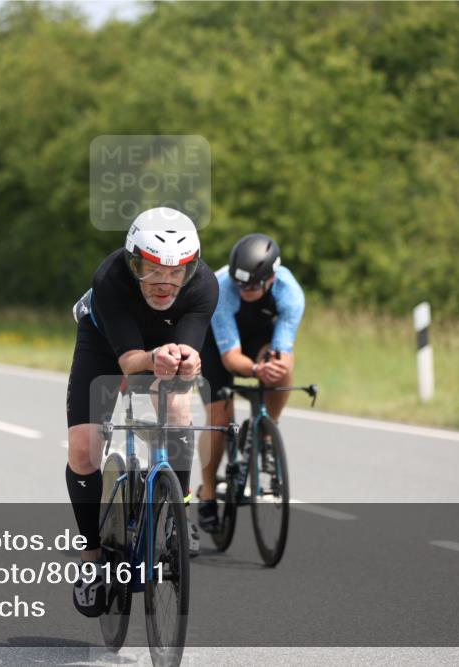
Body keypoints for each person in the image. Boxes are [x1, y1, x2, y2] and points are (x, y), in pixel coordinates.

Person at [66, 207, 217, 617]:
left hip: (164, 338)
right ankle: (92, 559)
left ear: (191, 269)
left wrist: (188, 362)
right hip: (106, 342)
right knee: (83, 450)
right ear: (134, 264)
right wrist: (153, 357)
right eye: (151, 270)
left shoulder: (204, 286)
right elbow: (131, 361)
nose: (164, 283)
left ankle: (177, 509)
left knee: (180, 403)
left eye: (175, 272)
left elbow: (189, 349)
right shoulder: (110, 278)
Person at [196, 233, 305, 532]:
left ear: (271, 278)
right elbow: (231, 358)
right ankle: (207, 492)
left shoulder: (290, 293)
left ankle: (268, 434)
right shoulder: (221, 288)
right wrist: (256, 370)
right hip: (216, 345)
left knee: (281, 370)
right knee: (219, 417)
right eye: (240, 283)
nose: (245, 290)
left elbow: (284, 351)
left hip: (259, 337)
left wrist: (273, 368)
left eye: (253, 286)